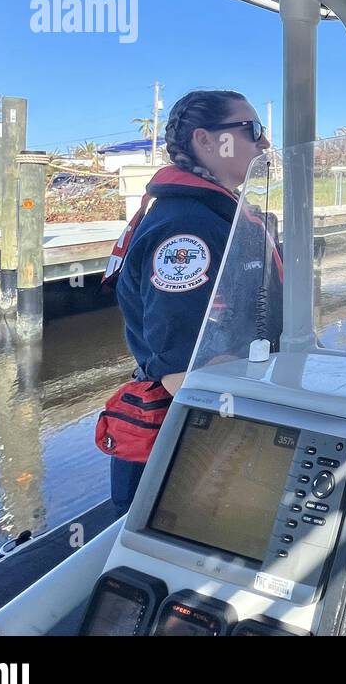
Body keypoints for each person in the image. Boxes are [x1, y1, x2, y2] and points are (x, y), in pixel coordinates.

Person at [101, 90, 281, 514]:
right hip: (190, 450)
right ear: (205, 141)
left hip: (211, 433)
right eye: (252, 130)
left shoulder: (214, 214)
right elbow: (182, 370)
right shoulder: (186, 228)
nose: (264, 144)